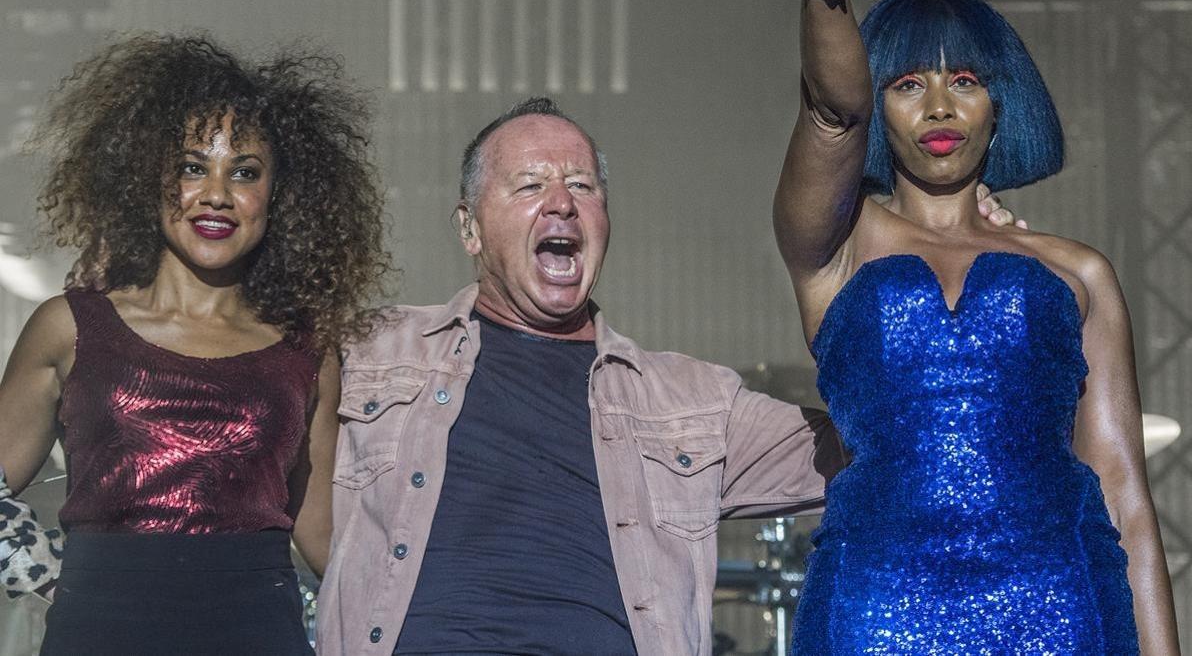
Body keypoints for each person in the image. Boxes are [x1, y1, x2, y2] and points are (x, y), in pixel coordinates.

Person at [316, 96, 1018, 655]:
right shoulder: (371, 351)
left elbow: (898, 441)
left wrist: (952, 252)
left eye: (582, 186)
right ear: (469, 227)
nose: (561, 202)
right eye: (529, 184)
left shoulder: (692, 402)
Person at [775, 0, 1179, 653]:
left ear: (1000, 102)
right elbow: (830, 109)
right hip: (876, 612)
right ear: (878, 103)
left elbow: (1126, 500)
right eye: (907, 82)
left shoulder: (1078, 273)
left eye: (963, 79)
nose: (939, 105)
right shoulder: (834, 246)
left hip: (1061, 609)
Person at [0, 34, 388, 654]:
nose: (216, 193)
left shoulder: (307, 352)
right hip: (97, 635)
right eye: (190, 166)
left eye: (245, 172)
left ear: (277, 197)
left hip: (259, 636)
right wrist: (53, 576)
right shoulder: (71, 328)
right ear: (146, 180)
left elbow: (326, 539)